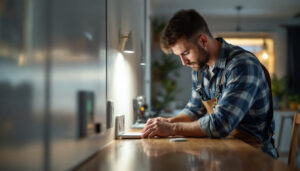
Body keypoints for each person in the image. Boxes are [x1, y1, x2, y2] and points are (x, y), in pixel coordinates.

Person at [141, 9, 278, 158]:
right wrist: (165, 122)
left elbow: (221, 124)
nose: (183, 62)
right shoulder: (200, 68)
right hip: (226, 151)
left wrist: (172, 128)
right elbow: (194, 110)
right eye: (179, 56)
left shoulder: (241, 65)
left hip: (255, 156)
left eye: (185, 53)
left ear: (203, 41)